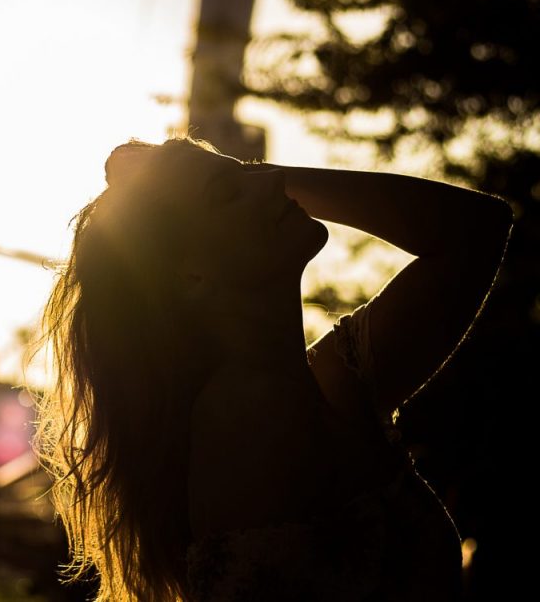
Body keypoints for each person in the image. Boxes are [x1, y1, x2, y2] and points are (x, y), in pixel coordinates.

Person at [34, 137, 511, 601]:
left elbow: (476, 227)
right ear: (191, 277)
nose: (270, 181)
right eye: (229, 192)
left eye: (251, 171)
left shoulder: (327, 378)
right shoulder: (245, 421)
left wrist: (234, 176)